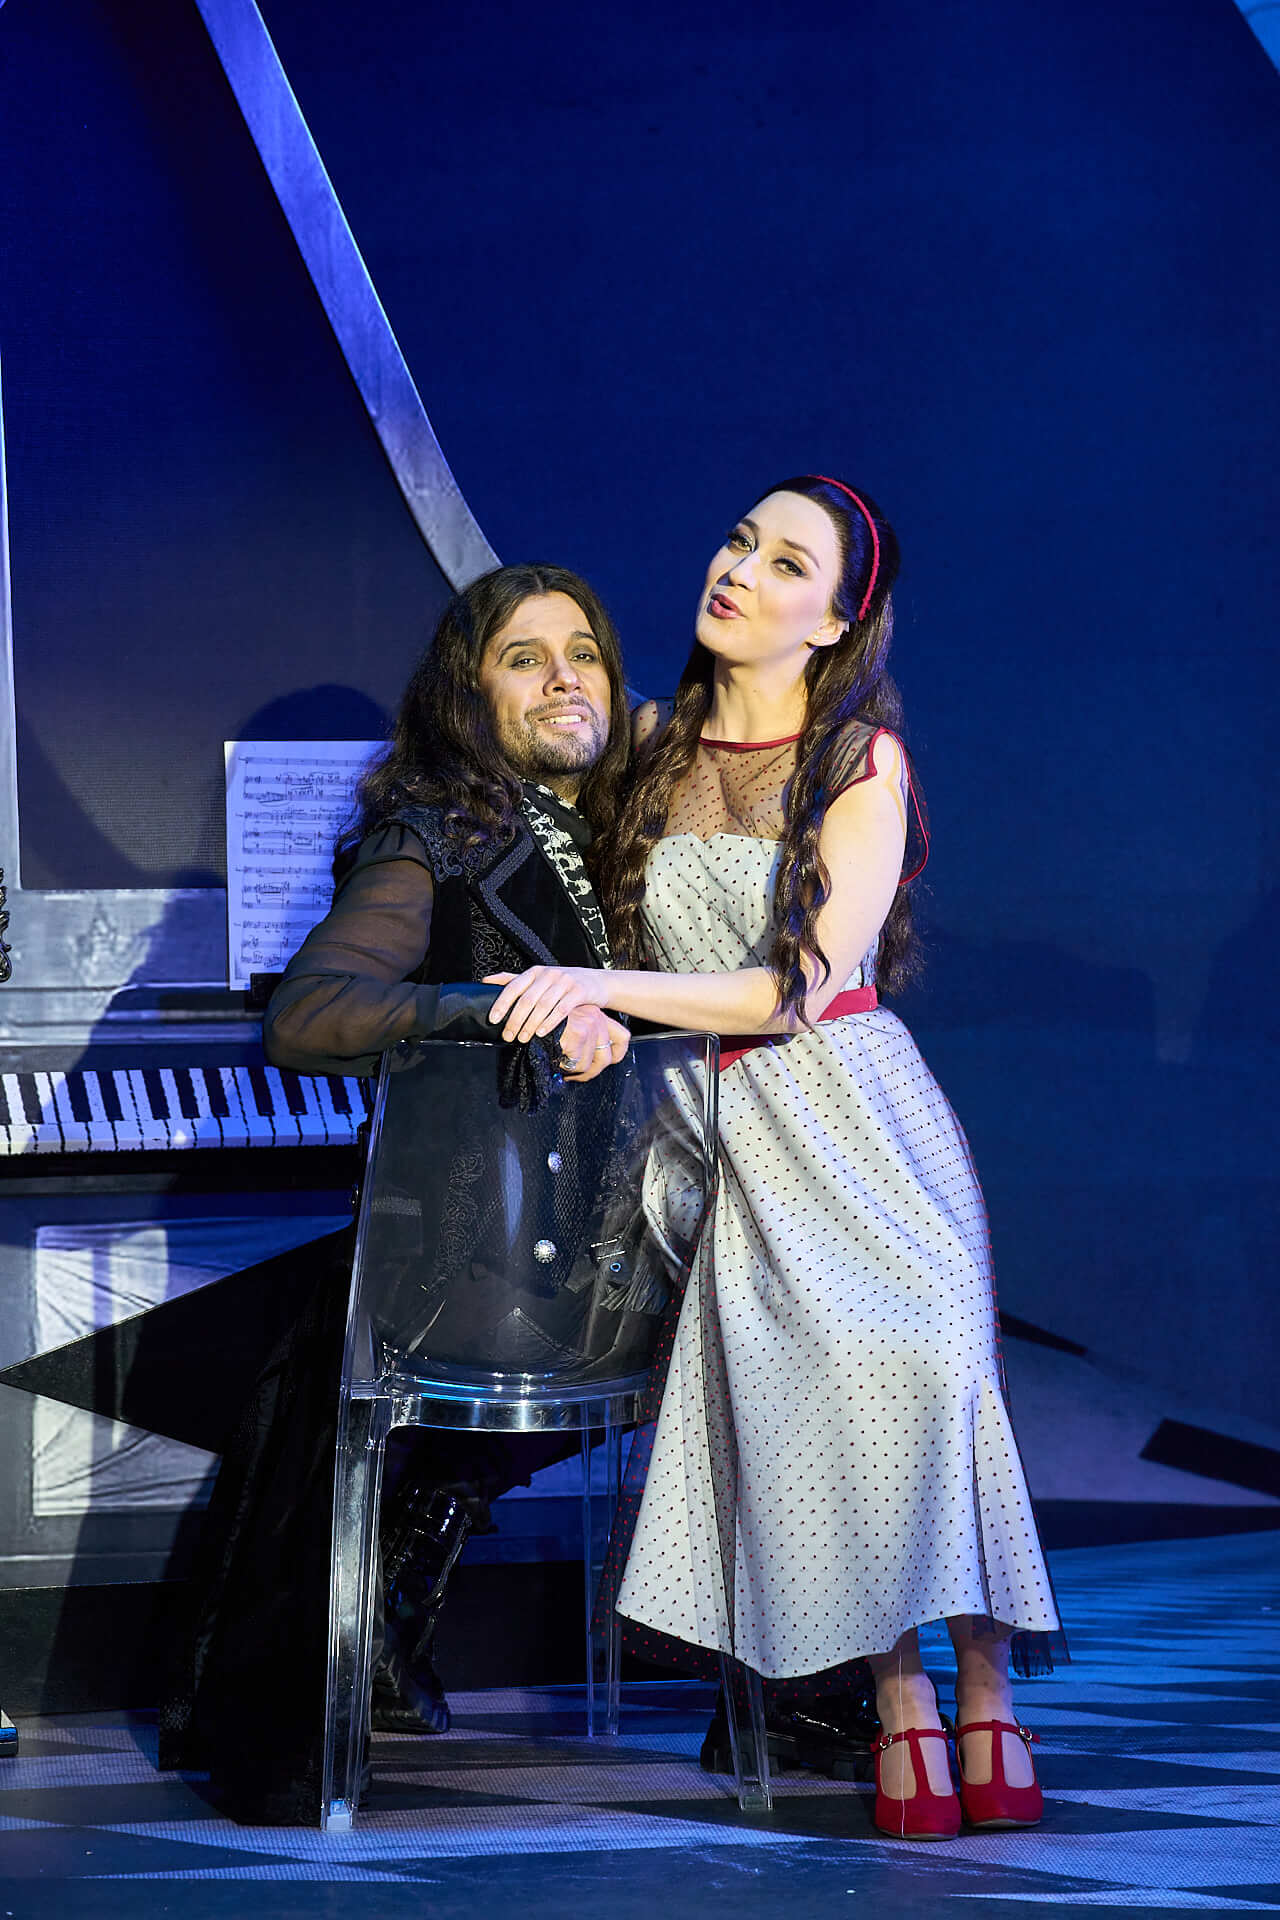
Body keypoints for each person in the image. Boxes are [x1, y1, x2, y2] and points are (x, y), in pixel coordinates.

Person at [485, 477, 1062, 1840]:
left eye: (786, 561)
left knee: (931, 1387)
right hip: (718, 1139)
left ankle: (987, 1687)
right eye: (740, 540)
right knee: (819, 1420)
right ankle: (901, 1702)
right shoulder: (647, 746)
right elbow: (550, 869)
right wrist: (586, 1011)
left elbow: (791, 995)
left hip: (859, 1126)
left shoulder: (858, 760)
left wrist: (601, 989)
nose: (739, 568)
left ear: (836, 618)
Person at [160, 563, 632, 1823]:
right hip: (488, 1256)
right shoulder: (437, 828)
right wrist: (497, 1009)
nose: (563, 679)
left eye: (582, 652)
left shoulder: (633, 835)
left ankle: (822, 1689)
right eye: (523, 658)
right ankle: (394, 1563)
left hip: (615, 1238)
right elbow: (309, 1013)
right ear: (466, 696)